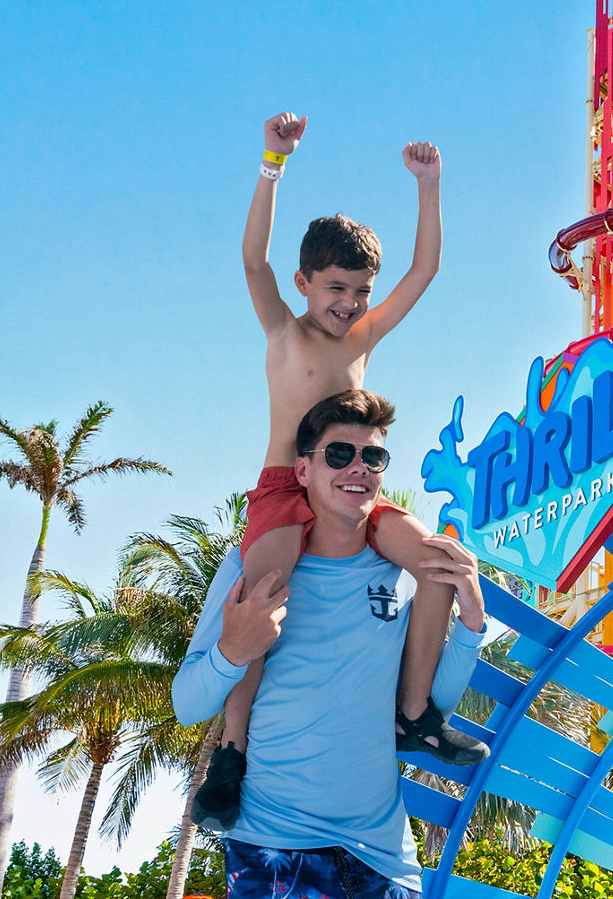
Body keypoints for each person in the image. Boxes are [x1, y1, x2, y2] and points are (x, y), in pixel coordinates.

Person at [193, 111, 486, 830]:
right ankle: (231, 755)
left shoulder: (365, 331)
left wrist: (429, 186)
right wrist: (272, 162)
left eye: (358, 292)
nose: (348, 305)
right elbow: (252, 261)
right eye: (335, 290)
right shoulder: (283, 328)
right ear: (304, 282)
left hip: (354, 485)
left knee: (441, 563)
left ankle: (413, 713)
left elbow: (425, 271)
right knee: (259, 598)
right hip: (283, 489)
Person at [173, 389, 486, 898]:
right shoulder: (247, 567)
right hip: (272, 848)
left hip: (384, 858)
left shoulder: (406, 573)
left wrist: (471, 624)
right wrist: (233, 650)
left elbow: (432, 707)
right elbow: (186, 704)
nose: (358, 468)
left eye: (373, 457)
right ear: (302, 472)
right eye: (339, 454)